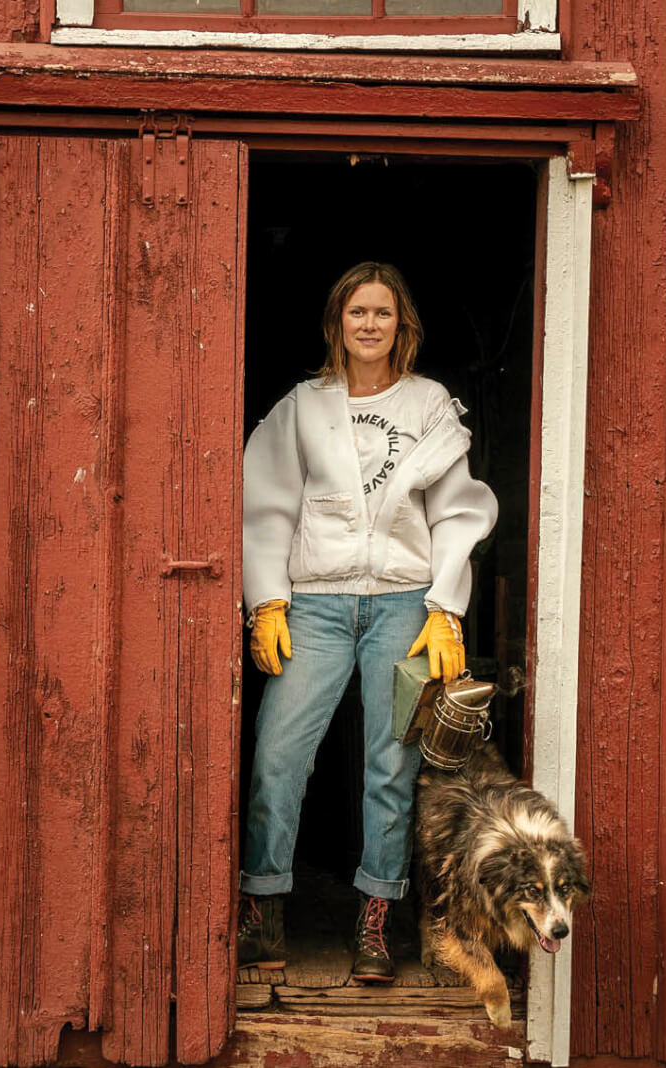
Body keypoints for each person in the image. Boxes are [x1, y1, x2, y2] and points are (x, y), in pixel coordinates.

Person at [237, 261, 498, 984]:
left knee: (391, 766)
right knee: (277, 757)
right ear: (337, 323)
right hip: (315, 604)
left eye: (382, 312)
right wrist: (266, 601)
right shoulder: (302, 407)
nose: (369, 324)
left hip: (402, 604)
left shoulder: (428, 404)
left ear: (401, 325)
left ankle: (374, 922)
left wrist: (445, 608)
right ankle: (263, 915)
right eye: (357, 312)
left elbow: (457, 511)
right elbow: (265, 505)